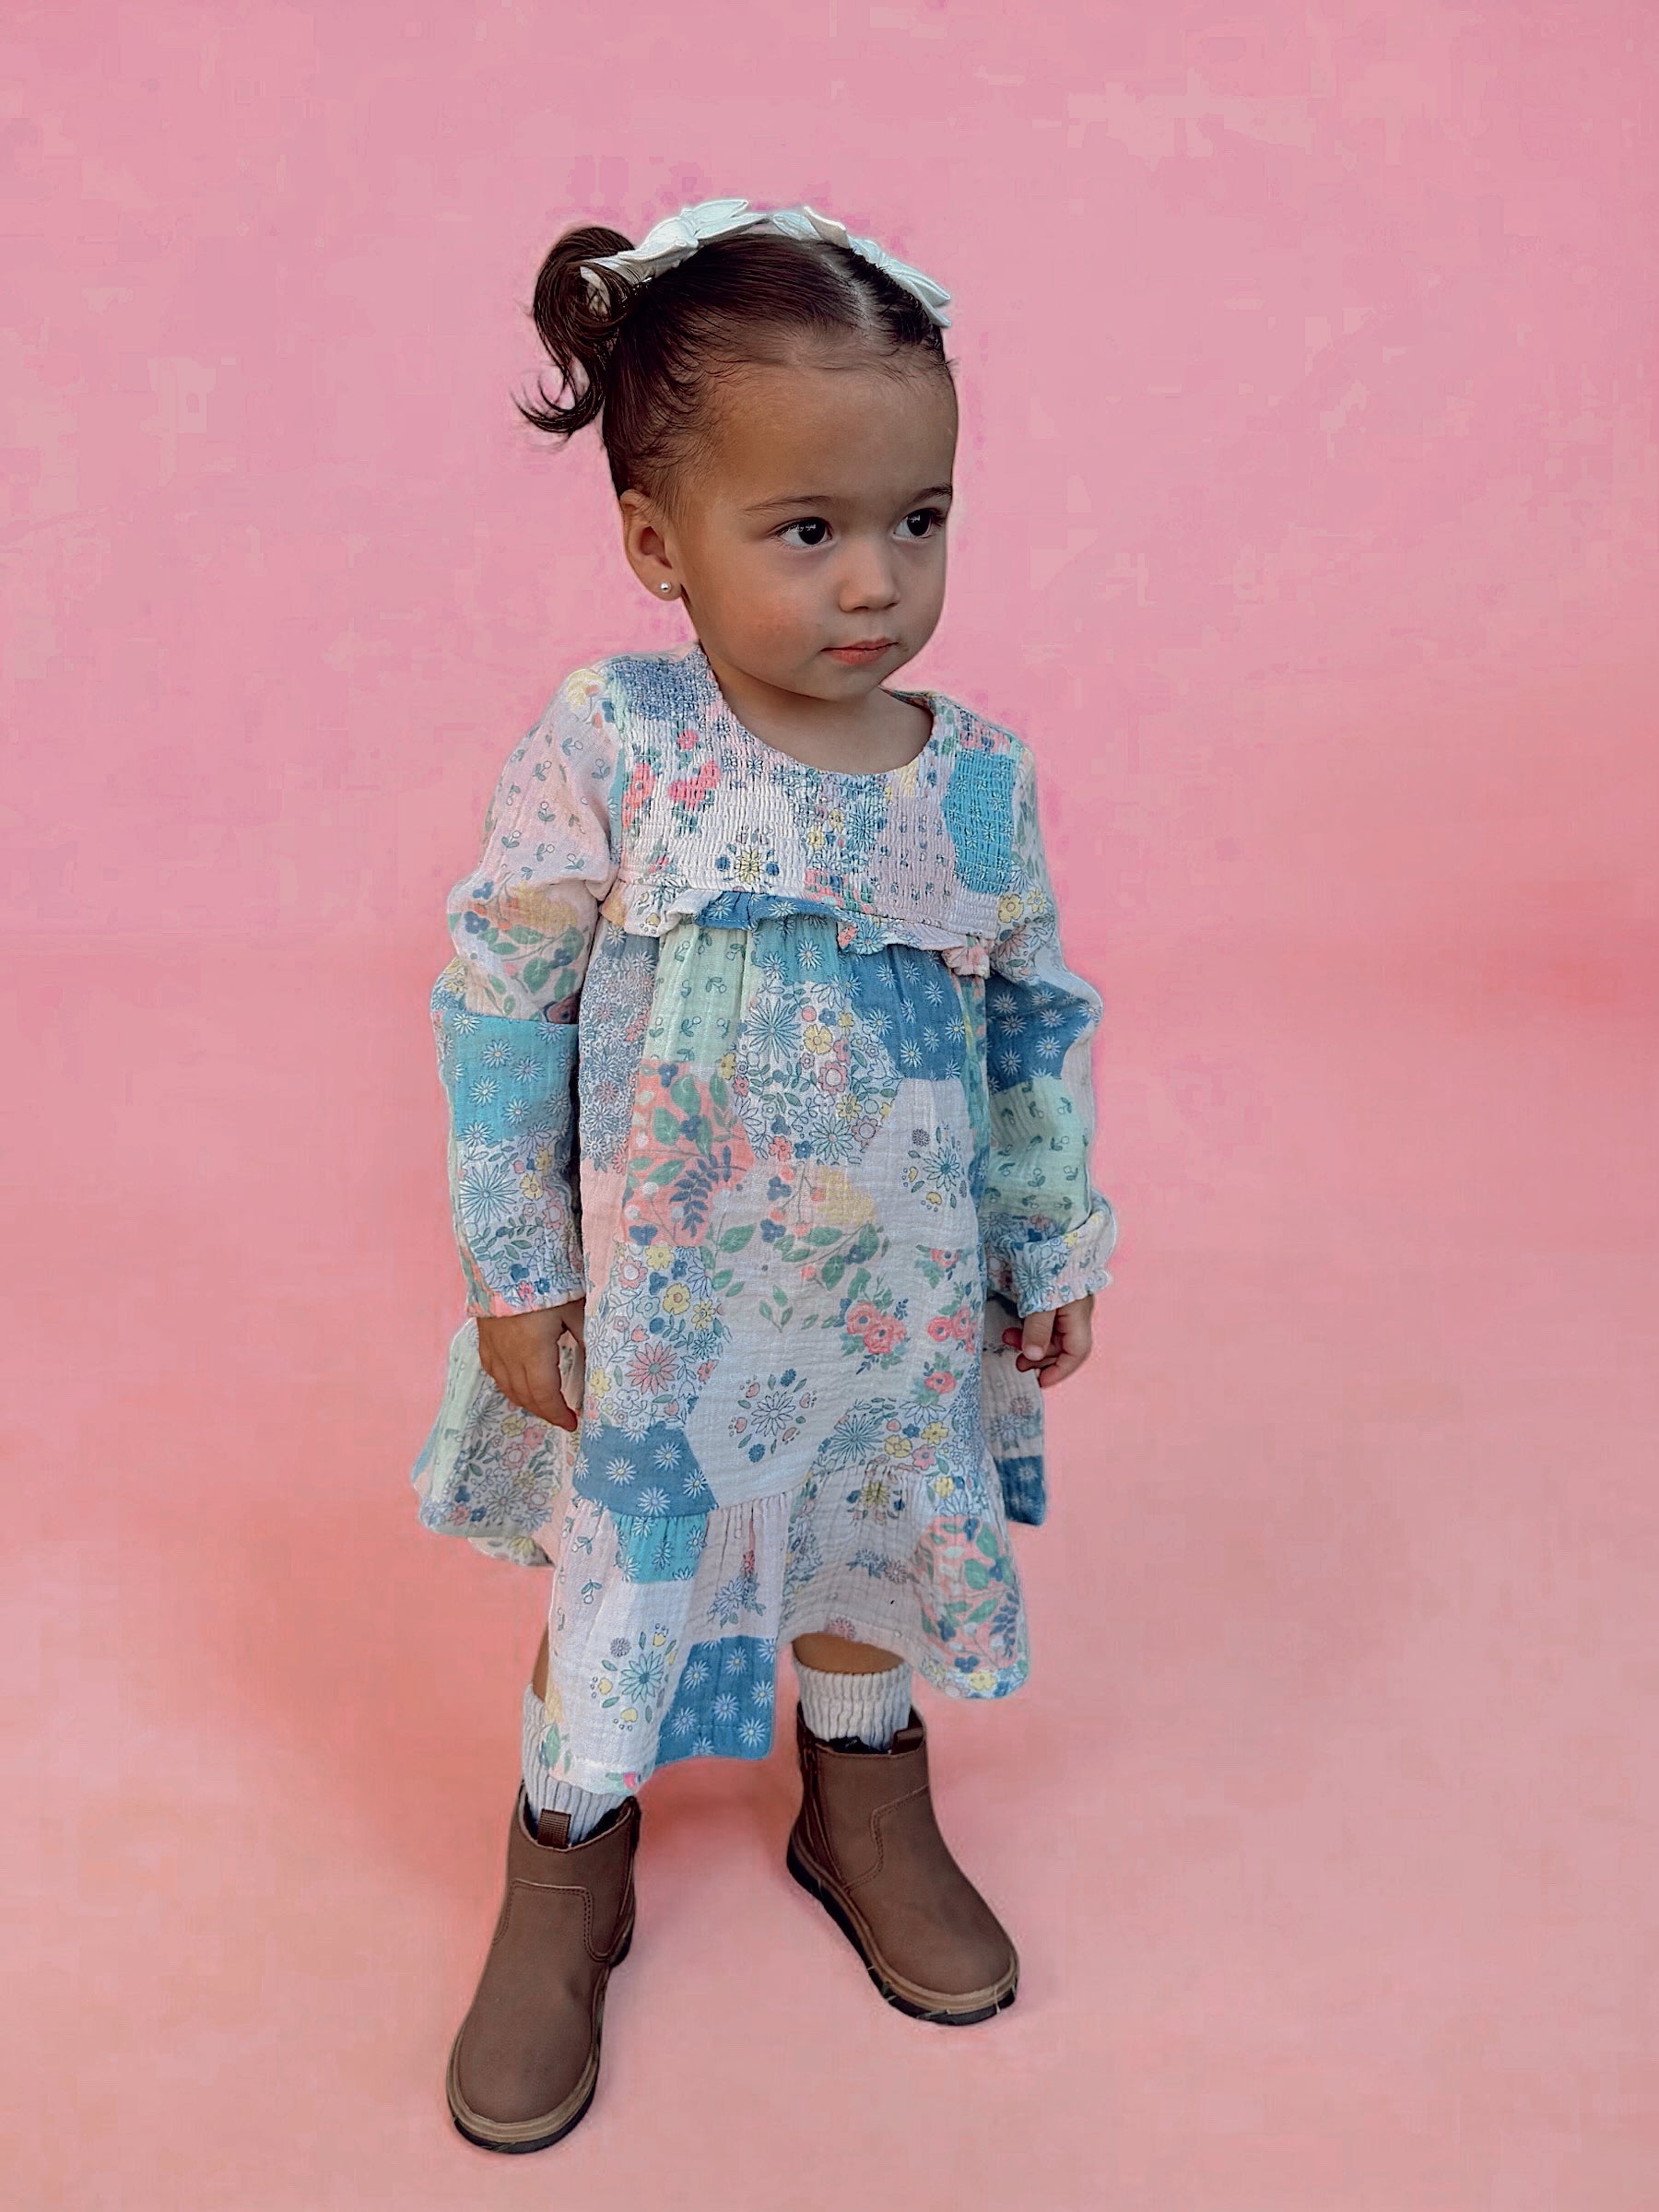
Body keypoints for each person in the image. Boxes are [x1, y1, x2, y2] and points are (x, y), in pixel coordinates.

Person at [410, 196, 1119, 2154]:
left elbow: (1034, 1016)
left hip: (892, 1303)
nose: (876, 579)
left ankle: (862, 1791)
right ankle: (571, 1851)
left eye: (921, 517)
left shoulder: (975, 776)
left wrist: (1049, 1231)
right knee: (626, 1572)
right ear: (660, 544)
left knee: (871, 1541)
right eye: (807, 531)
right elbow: (498, 996)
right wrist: (516, 1261)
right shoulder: (619, 744)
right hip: (667, 1306)